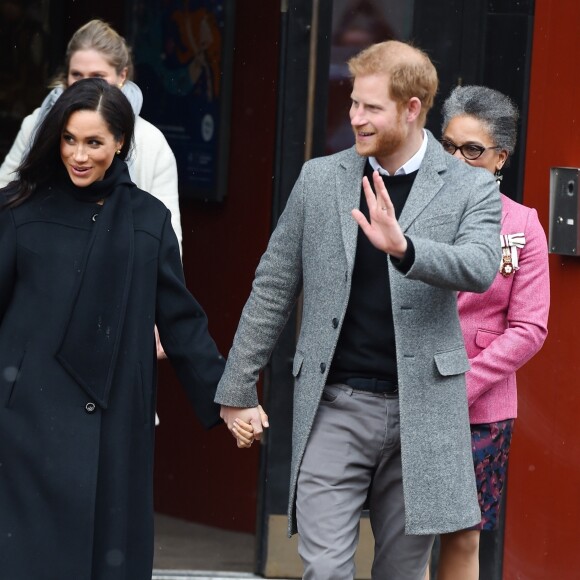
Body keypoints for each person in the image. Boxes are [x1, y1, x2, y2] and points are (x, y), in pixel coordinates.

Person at [216, 40, 503, 579]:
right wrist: (236, 388)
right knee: (324, 571)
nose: (355, 117)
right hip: (335, 404)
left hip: (424, 412)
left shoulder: (469, 186)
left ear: (412, 107)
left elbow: (480, 265)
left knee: (400, 572)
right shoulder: (320, 178)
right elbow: (274, 285)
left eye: (371, 107)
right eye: (353, 103)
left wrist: (406, 249)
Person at [0, 78, 225, 579]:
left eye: (94, 142)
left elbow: (181, 319)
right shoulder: (19, 207)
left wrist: (229, 396)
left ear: (121, 141)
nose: (79, 155)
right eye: (69, 140)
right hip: (23, 428)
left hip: (111, 424)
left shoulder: (148, 219)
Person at [427, 85, 550, 580]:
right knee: (397, 529)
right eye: (449, 146)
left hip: (478, 408)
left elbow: (530, 327)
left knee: (461, 535)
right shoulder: (413, 210)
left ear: (501, 156)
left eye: (473, 151)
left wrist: (463, 383)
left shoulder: (523, 224)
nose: (457, 160)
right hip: (400, 393)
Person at [0, 18, 182, 249]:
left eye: (97, 76)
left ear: (122, 76)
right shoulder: (36, 124)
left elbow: (167, 240)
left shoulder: (151, 141)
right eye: (76, 75)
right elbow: (6, 193)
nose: (84, 86)